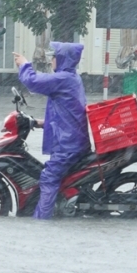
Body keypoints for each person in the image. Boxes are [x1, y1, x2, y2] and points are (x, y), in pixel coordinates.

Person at [13, 42, 90, 220]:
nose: (52, 60)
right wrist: (41, 123)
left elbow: (33, 82)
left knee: (48, 178)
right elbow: (67, 113)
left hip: (68, 144)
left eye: (54, 56)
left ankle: (41, 221)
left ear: (62, 59)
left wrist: (25, 64)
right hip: (73, 139)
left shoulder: (63, 78)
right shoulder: (71, 78)